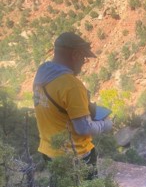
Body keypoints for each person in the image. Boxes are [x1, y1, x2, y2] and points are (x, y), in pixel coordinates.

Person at [33, 32, 112, 178]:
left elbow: (57, 110)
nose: (83, 62)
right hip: (76, 156)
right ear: (75, 55)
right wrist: (105, 124)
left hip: (48, 151)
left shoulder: (42, 74)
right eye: (83, 58)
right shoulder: (72, 85)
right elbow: (83, 128)